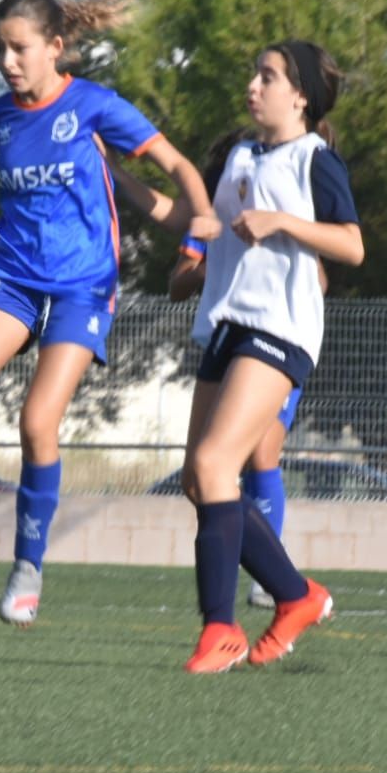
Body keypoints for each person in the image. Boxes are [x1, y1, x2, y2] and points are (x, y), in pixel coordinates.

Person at [0, 0, 219, 626]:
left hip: (82, 286)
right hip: (14, 277)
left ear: (55, 48)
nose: (7, 61)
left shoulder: (94, 105)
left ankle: (27, 569)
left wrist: (201, 217)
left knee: (37, 423)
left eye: (19, 49)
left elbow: (177, 163)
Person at [179, 39, 364, 673]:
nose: (254, 85)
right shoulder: (237, 155)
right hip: (226, 327)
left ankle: (221, 628)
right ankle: (296, 594)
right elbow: (193, 220)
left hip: (280, 329)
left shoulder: (315, 159)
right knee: (198, 481)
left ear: (301, 96)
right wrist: (114, 175)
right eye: (255, 74)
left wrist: (282, 222)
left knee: (213, 462)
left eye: (269, 76)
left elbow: (352, 246)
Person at [108, 130, 310, 609]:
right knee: (200, 477)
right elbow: (178, 282)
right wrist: (205, 261)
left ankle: (271, 587)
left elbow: (319, 269)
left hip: (272, 340)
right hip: (222, 339)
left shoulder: (279, 207)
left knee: (259, 456)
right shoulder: (210, 217)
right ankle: (281, 583)